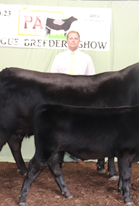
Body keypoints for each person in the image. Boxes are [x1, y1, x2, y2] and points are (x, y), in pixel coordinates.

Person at [50, 30, 95, 165]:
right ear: (67, 41)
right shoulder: (59, 57)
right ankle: (58, 155)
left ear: (79, 41)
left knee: (79, 126)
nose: (73, 40)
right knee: (61, 125)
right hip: (63, 98)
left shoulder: (86, 58)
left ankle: (79, 155)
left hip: (81, 98)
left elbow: (92, 79)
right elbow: (53, 78)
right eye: (71, 38)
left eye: (76, 38)